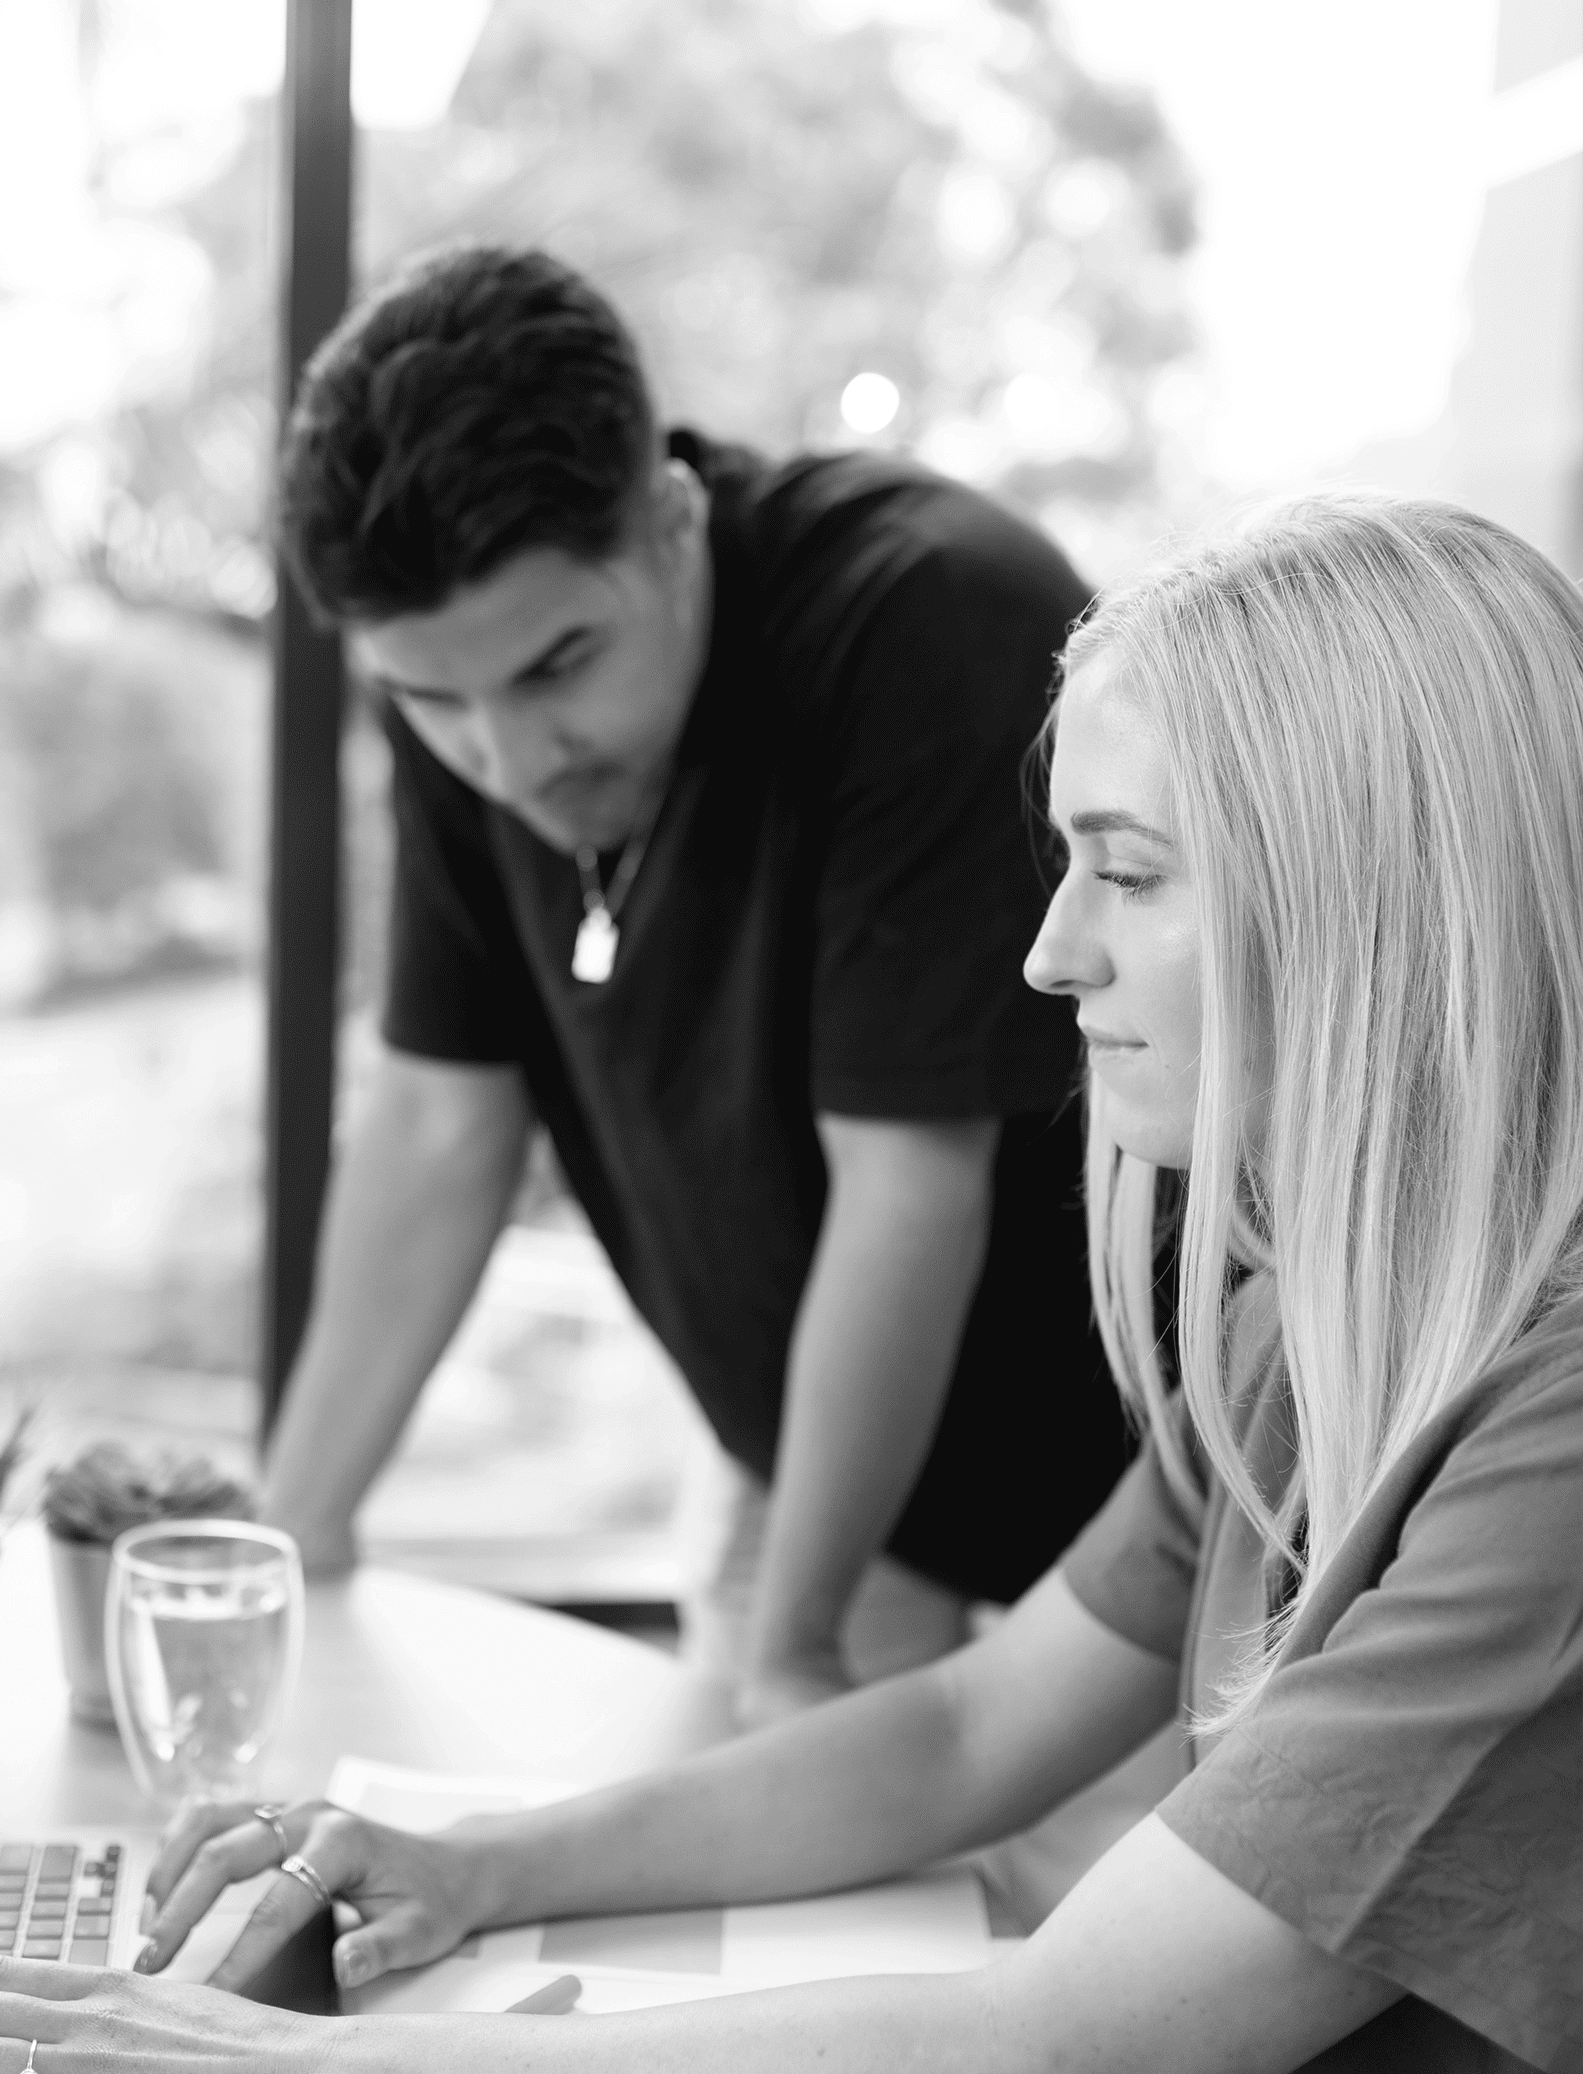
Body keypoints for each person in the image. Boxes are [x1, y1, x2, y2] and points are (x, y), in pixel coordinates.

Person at [0, 495, 1583, 2074]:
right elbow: (964, 1730)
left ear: (1372, 907)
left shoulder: (1545, 1439)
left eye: (1127, 875)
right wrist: (480, 1865)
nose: (1047, 956)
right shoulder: (1318, 1318)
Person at [261, 245, 1149, 1882]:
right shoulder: (466, 682)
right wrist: (275, 1551)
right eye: (434, 705)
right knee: (740, 1959)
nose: (508, 763)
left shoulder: (922, 615)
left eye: (558, 672)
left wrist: (791, 1651)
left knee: (1093, 2012)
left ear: (670, 521)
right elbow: (444, 1129)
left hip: (1124, 1522)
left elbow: (908, 1186)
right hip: (803, 1459)